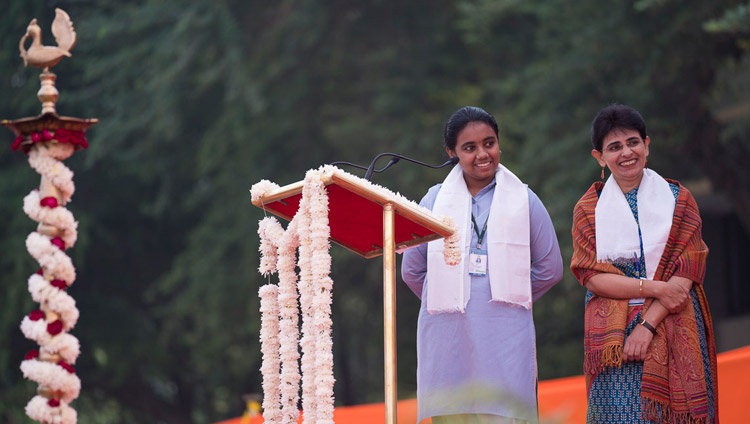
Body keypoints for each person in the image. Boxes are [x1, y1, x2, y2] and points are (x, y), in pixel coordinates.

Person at [401, 106, 563, 424]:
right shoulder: (434, 201)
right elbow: (412, 269)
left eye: (489, 143)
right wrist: (449, 294)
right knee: (453, 413)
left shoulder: (524, 199)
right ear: (452, 152)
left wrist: (512, 291)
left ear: (499, 143)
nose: (482, 154)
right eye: (469, 147)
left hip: (505, 332)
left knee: (503, 414)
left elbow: (551, 267)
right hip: (447, 333)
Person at [570, 104, 718, 423]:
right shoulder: (587, 209)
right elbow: (591, 275)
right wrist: (654, 289)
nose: (626, 153)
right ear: (599, 157)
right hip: (615, 338)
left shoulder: (680, 199)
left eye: (633, 142)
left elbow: (687, 272)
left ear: (647, 145)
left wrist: (647, 326)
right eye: (614, 147)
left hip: (675, 321)